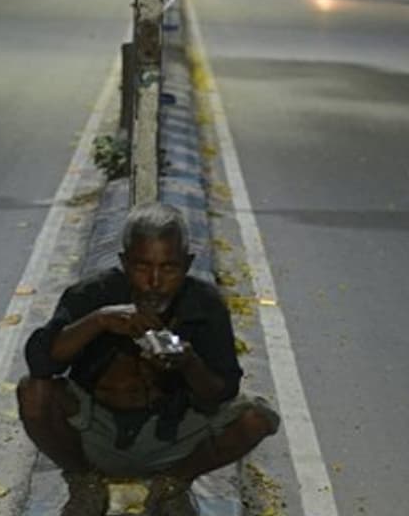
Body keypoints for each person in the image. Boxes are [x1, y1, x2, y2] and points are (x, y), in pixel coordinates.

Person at [19, 202, 280, 516]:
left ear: (187, 265)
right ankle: (84, 483)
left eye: (168, 269)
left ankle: (172, 485)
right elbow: (41, 362)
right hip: (97, 434)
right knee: (32, 392)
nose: (154, 281)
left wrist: (189, 363)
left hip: (170, 436)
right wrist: (98, 321)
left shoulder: (204, 304)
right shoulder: (92, 294)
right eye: (142, 268)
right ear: (125, 263)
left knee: (257, 418)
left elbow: (222, 392)